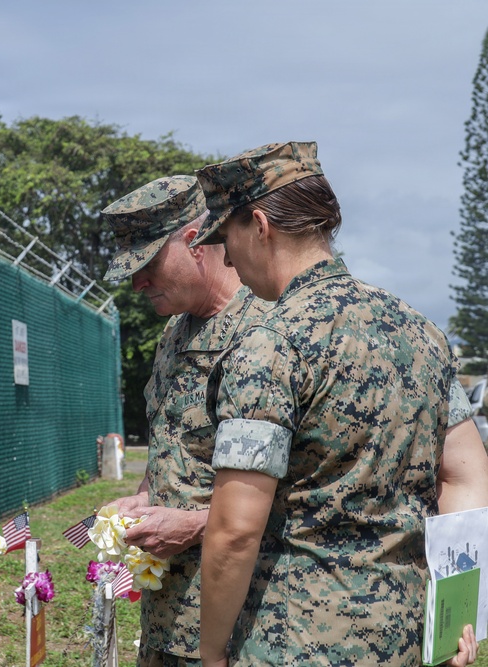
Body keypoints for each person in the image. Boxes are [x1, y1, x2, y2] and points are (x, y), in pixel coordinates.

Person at [190, 141, 488, 666]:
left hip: (292, 644)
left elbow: (236, 530)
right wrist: (454, 622)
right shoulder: (420, 334)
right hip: (409, 640)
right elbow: (466, 476)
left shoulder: (270, 346)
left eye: (227, 238)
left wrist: (212, 653)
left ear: (260, 225)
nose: (227, 257)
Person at [100, 175, 270, 667]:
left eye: (149, 264)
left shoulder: (266, 331)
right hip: (167, 616)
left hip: (240, 625)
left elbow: (301, 486)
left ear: (196, 242)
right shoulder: (174, 334)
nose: (137, 283)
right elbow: (169, 441)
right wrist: (145, 496)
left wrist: (195, 526)